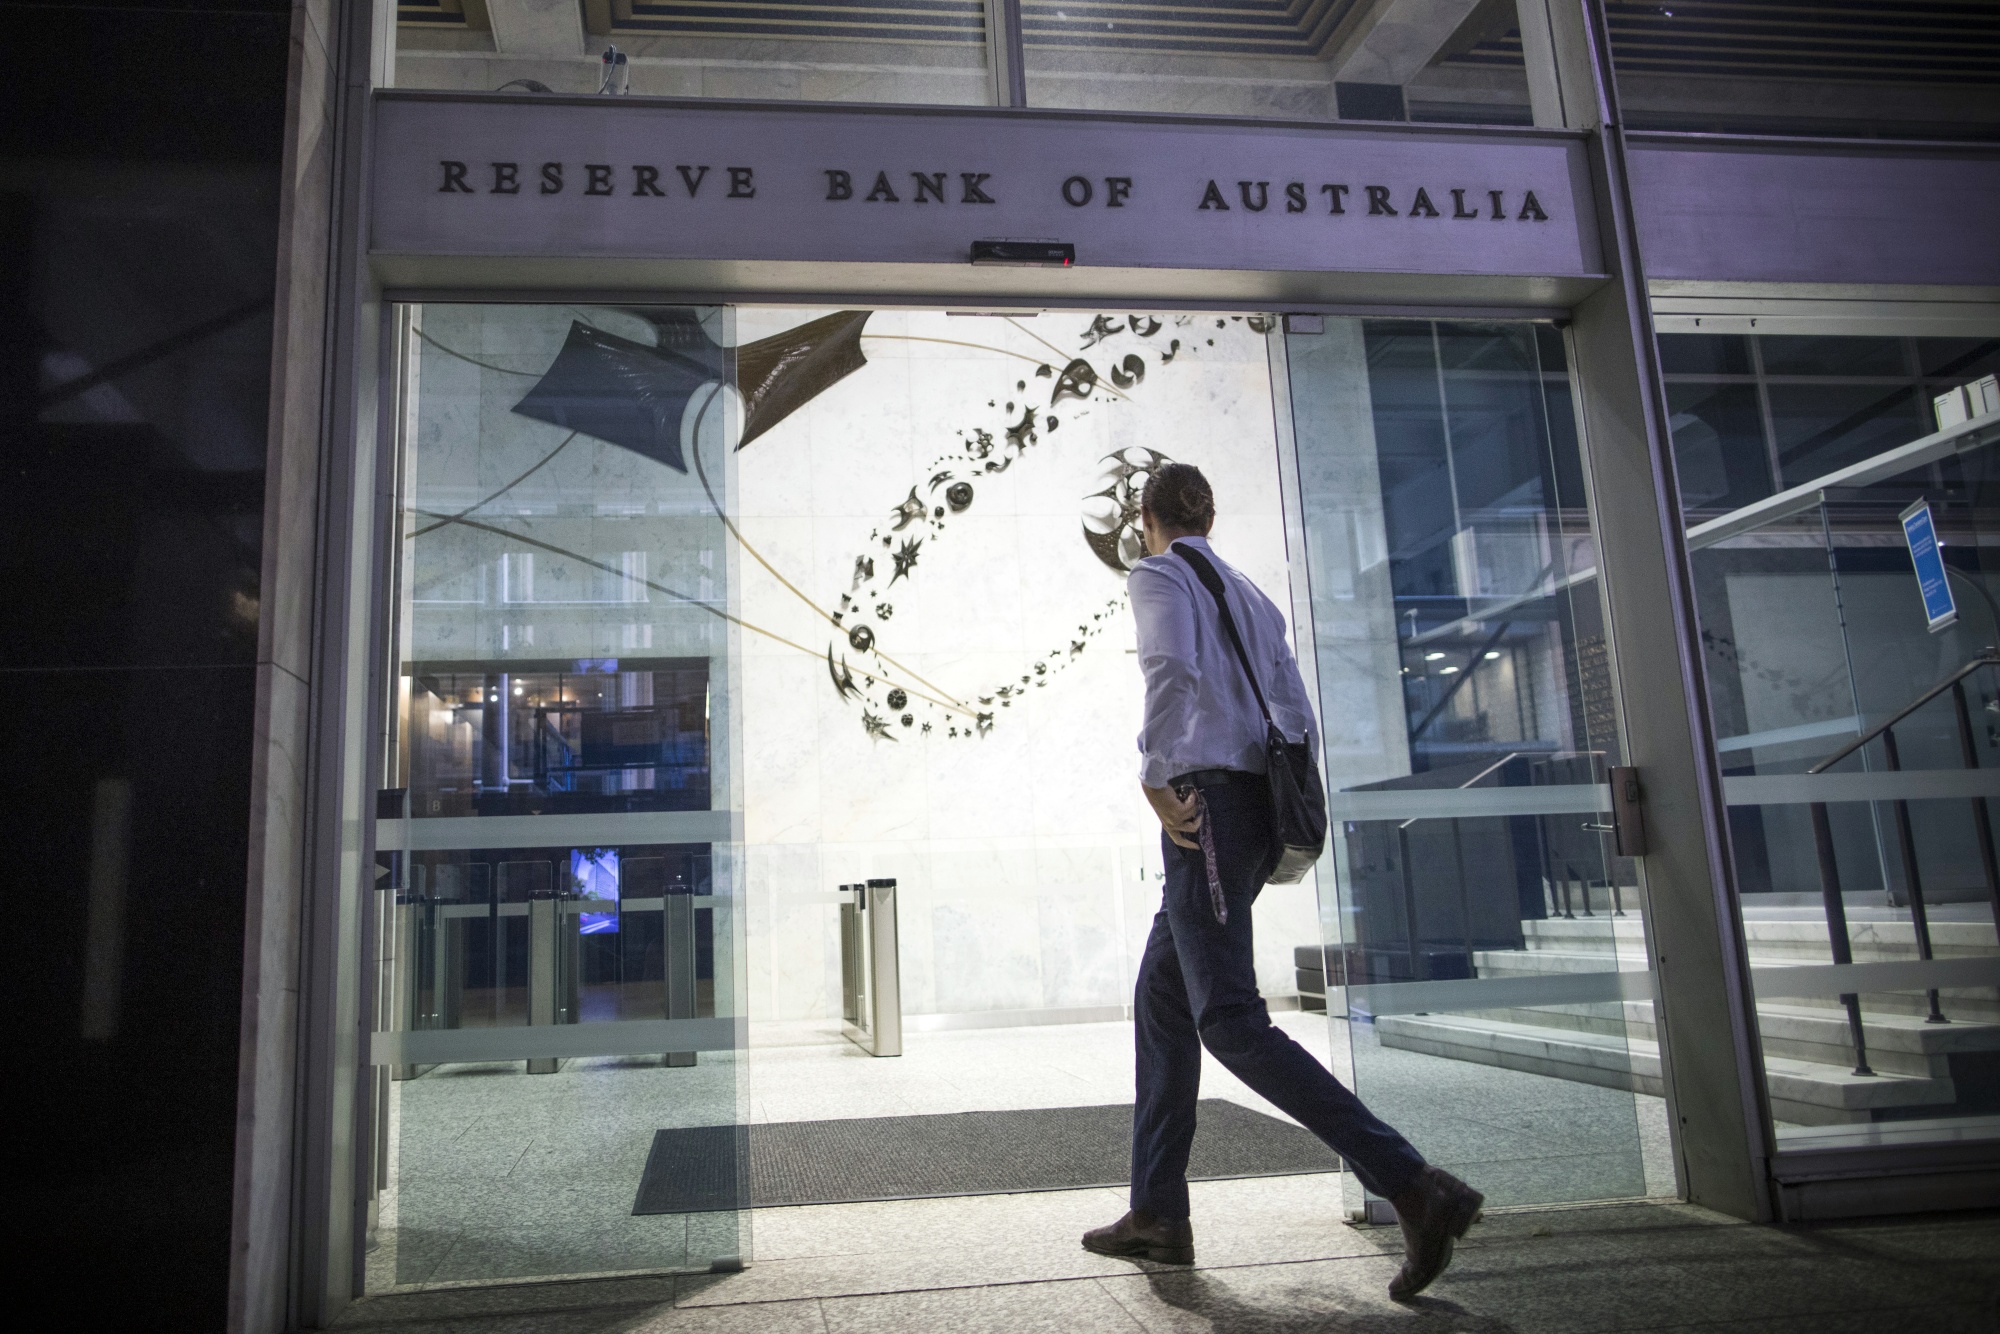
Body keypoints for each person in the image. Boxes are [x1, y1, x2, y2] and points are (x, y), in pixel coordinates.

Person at [1080, 462, 1484, 1302]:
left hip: (1206, 808)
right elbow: (1295, 711)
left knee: (1230, 1020)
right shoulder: (1250, 594)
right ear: (1209, 517)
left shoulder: (1158, 575)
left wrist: (1156, 775)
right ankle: (1157, 1211)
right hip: (1257, 810)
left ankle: (1412, 1184)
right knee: (1163, 1000)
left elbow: (1170, 669)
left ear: (1146, 519)